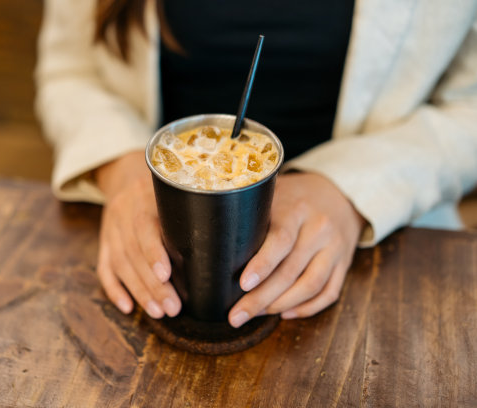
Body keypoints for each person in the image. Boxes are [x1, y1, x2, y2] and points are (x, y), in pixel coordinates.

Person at [35, 0, 477, 328]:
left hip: (386, 254)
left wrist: (352, 186)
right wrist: (121, 166)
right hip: (151, 241)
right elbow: (70, 68)